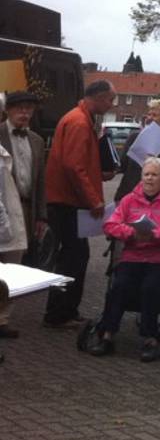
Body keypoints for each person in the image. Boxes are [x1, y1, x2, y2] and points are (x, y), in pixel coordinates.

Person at [88, 157, 160, 360]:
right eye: (146, 174)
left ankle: (150, 337)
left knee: (151, 286)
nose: (149, 179)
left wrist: (158, 234)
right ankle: (107, 334)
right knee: (119, 285)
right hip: (133, 254)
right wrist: (130, 233)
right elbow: (110, 225)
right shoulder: (130, 199)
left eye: (155, 175)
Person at [44, 80, 116, 328]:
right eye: (110, 99)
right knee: (73, 258)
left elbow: (77, 164)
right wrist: (93, 200)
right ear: (98, 97)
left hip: (66, 200)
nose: (111, 105)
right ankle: (59, 314)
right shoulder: (79, 122)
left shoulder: (78, 119)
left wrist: (99, 175)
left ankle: (62, 311)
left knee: (72, 256)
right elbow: (74, 167)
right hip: (69, 203)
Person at [0, 90, 48, 269]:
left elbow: (41, 181)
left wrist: (41, 215)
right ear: (8, 110)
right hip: (2, 209)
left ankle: (8, 297)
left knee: (15, 264)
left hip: (26, 210)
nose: (25, 114)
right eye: (20, 109)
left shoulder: (37, 141)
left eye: (29, 109)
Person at [114, 99, 160, 206]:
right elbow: (122, 165)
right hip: (127, 195)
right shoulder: (134, 137)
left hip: (153, 202)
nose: (149, 118)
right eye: (148, 114)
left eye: (155, 115)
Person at [0, 109, 28, 338]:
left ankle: (2, 319)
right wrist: (5, 228)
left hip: (13, 217)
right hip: (5, 223)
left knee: (10, 274)